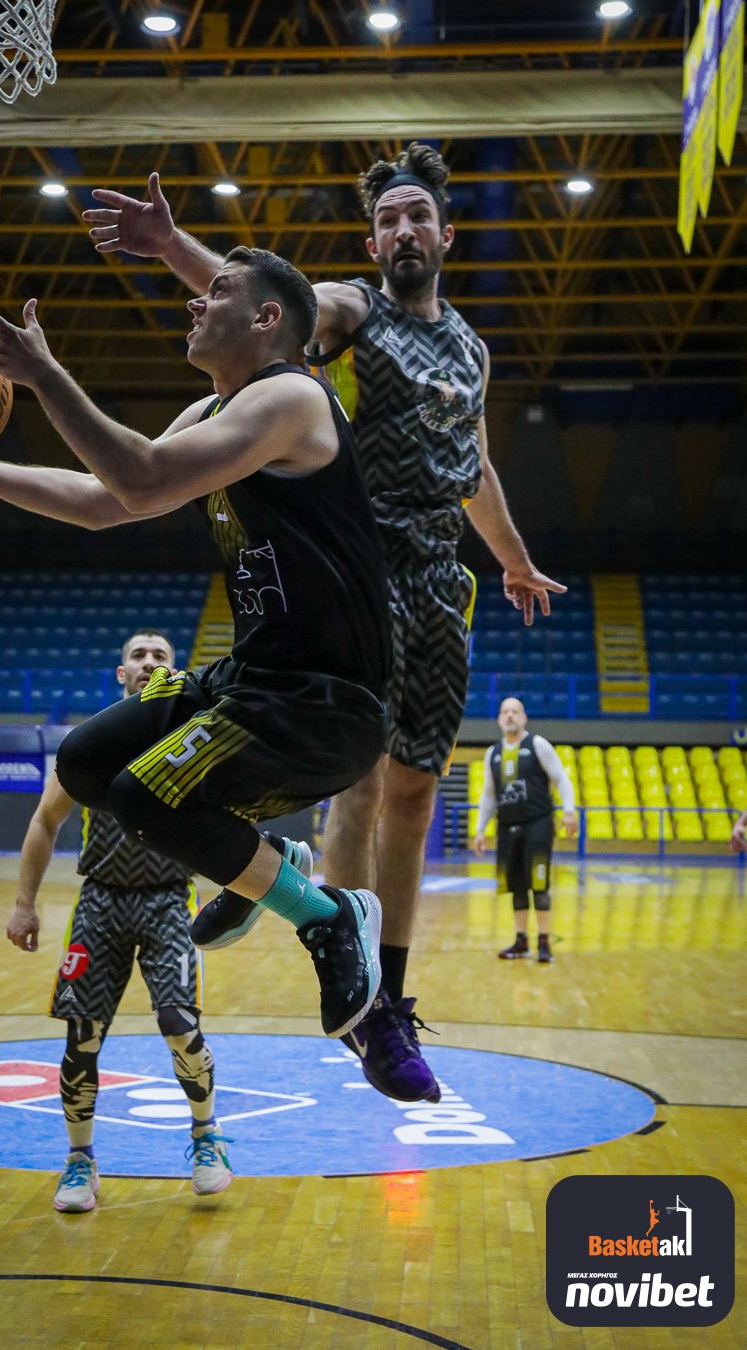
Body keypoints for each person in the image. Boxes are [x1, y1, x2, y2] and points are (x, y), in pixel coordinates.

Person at [82, 144, 565, 1102]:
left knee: (417, 793)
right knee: (363, 781)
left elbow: (474, 467)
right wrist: (174, 247)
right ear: (374, 242)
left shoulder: (471, 350)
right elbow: (266, 311)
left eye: (418, 216)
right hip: (358, 562)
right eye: (388, 219)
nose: (403, 230)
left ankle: (386, 988)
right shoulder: (352, 309)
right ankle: (359, 997)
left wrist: (511, 557)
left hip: (442, 578)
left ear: (447, 233)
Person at [0, 245, 392, 1054]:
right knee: (86, 762)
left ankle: (328, 915)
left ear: (266, 319)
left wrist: (45, 374)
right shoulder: (212, 411)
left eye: (216, 292)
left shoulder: (293, 396)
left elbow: (144, 478)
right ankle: (271, 861)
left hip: (325, 701)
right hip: (254, 680)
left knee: (145, 794)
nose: (195, 303)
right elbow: (102, 501)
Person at [6, 629, 234, 1209]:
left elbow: (233, 822)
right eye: (139, 655)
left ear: (173, 672)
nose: (149, 662)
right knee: (81, 1038)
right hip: (101, 902)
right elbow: (44, 821)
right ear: (121, 673)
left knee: (181, 1025)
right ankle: (79, 1161)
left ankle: (207, 1136)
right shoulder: (92, 744)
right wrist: (24, 903)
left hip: (169, 900)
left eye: (160, 656)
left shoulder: (194, 740)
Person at [472, 697, 577, 964]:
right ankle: (521, 941)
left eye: (515, 711)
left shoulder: (538, 744)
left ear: (524, 717)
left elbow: (561, 779)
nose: (510, 715)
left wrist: (569, 811)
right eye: (505, 711)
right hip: (507, 826)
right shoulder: (493, 753)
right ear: (499, 719)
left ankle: (544, 941)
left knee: (539, 884)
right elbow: (489, 794)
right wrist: (480, 829)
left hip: (538, 823)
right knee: (516, 885)